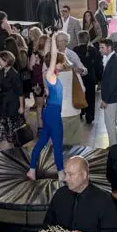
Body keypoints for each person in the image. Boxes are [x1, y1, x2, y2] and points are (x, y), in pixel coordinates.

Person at [29, 40, 67, 180]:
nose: (64, 64)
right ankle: (61, 172)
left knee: (42, 141)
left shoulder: (51, 75)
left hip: (50, 112)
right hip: (52, 113)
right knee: (57, 143)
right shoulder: (50, 76)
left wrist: (49, 44)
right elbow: (52, 56)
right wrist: (54, 38)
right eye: (61, 62)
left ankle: (31, 169)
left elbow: (48, 57)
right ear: (55, 63)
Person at [97, 39, 117, 146]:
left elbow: (112, 83)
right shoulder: (113, 58)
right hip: (114, 96)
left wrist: (105, 100)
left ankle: (113, 146)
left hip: (112, 98)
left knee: (110, 123)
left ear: (109, 48)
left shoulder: (114, 61)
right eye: (100, 47)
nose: (100, 50)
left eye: (102, 47)